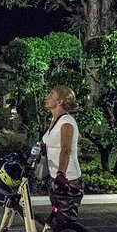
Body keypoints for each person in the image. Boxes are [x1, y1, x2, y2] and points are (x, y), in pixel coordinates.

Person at [42, 85, 83, 221]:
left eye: (51, 95)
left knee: (66, 222)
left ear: (60, 102)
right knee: (57, 222)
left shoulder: (66, 122)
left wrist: (61, 174)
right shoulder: (54, 121)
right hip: (55, 179)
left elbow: (66, 149)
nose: (47, 97)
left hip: (67, 180)